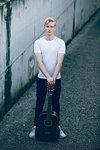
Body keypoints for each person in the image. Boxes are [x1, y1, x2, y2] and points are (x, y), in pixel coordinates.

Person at [29, 17, 66, 139]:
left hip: (56, 78)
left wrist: (53, 77)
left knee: (56, 103)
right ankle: (35, 127)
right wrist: (48, 77)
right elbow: (39, 62)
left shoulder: (60, 42)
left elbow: (59, 62)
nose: (49, 29)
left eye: (52, 27)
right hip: (42, 78)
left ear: (55, 28)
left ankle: (57, 127)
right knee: (40, 102)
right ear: (44, 27)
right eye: (47, 27)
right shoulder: (38, 42)